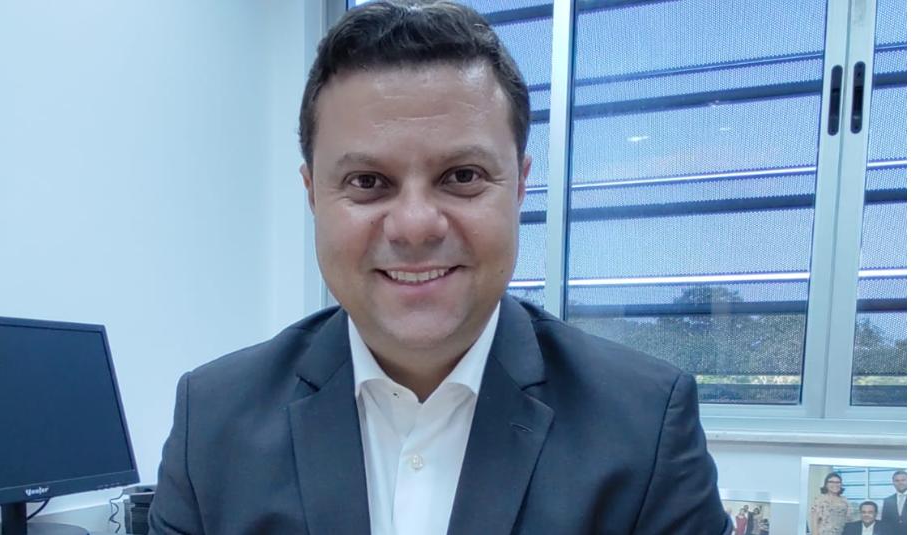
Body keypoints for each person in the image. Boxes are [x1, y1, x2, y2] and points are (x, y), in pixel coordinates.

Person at [146, 1, 730, 534]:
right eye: (367, 182)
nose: (416, 225)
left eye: (462, 177)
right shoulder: (212, 423)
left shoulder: (646, 426)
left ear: (519, 188)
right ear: (313, 196)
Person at [881, 470, 906, 535]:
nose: (900, 482)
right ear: (893, 482)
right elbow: (884, 523)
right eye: (897, 481)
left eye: (903, 480)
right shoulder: (887, 501)